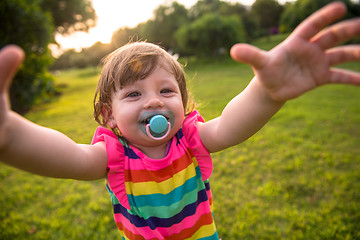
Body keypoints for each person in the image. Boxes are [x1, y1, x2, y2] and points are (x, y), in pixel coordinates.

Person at [0, 2, 359, 239]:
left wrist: (267, 93)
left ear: (183, 103)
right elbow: (66, 156)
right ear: (108, 115)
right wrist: (11, 136)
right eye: (134, 94)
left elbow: (231, 124)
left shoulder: (190, 138)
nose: (154, 100)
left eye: (166, 91)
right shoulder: (113, 157)